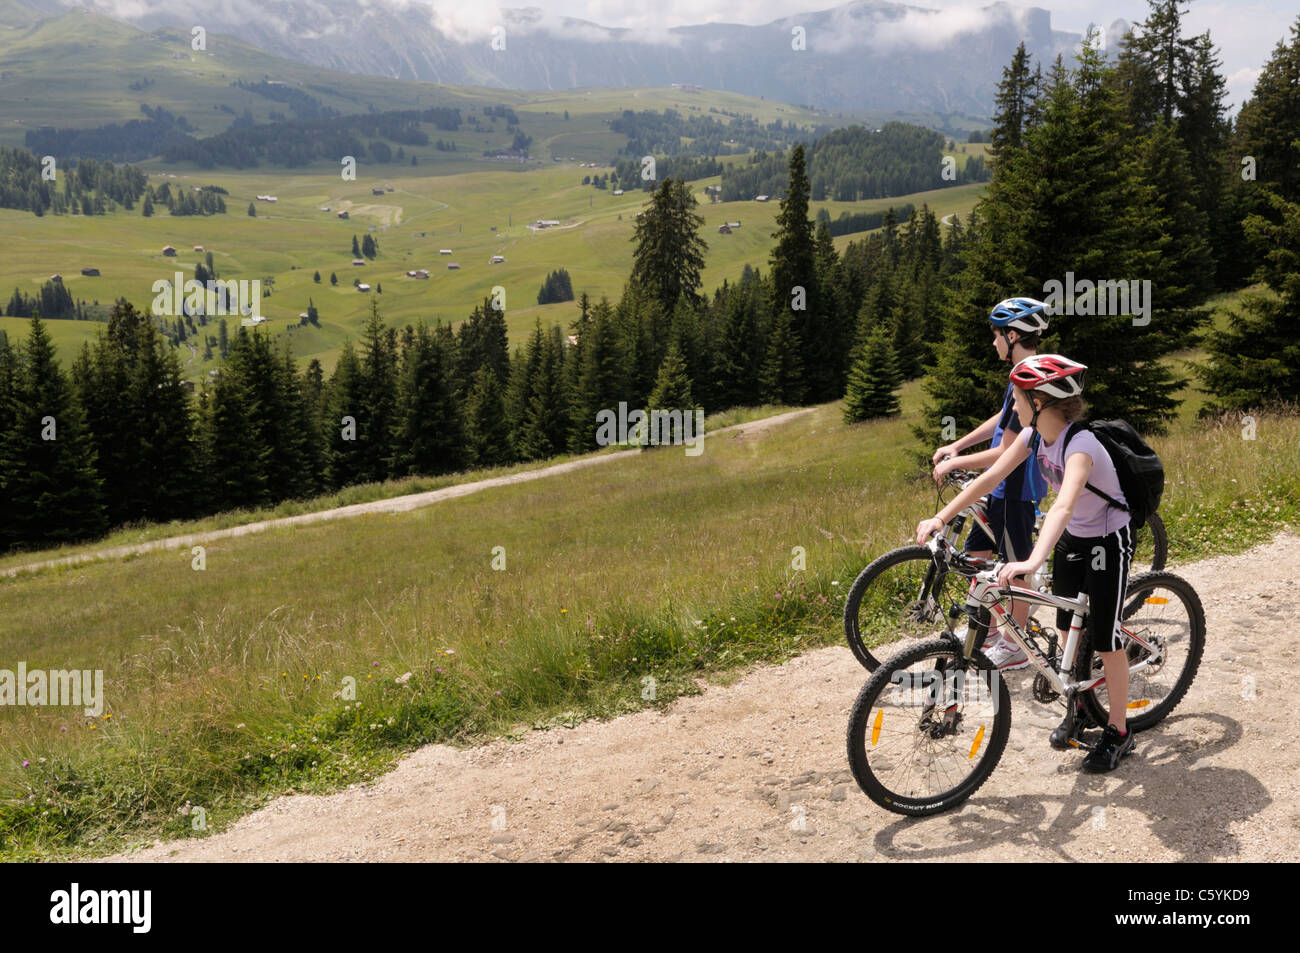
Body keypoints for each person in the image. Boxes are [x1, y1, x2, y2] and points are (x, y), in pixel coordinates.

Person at [916, 354, 1136, 773]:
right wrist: (941, 517)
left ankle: (1120, 731)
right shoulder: (1034, 435)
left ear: (1039, 400)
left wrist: (1032, 559)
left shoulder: (1082, 444)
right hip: (1075, 539)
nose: (1012, 406)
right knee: (1068, 628)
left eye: (1017, 397)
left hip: (1109, 538)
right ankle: (1084, 706)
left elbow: (1064, 505)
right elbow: (991, 477)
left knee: (1105, 638)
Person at [930, 297, 1050, 671]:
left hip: (1015, 489)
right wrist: (957, 445)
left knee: (1017, 569)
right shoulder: (1019, 373)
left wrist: (957, 463)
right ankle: (992, 632)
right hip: (998, 489)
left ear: (1012, 335)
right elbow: (1001, 420)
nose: (993, 342)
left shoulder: (1030, 376)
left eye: (996, 335)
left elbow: (1005, 449)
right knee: (976, 558)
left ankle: (1017, 645)